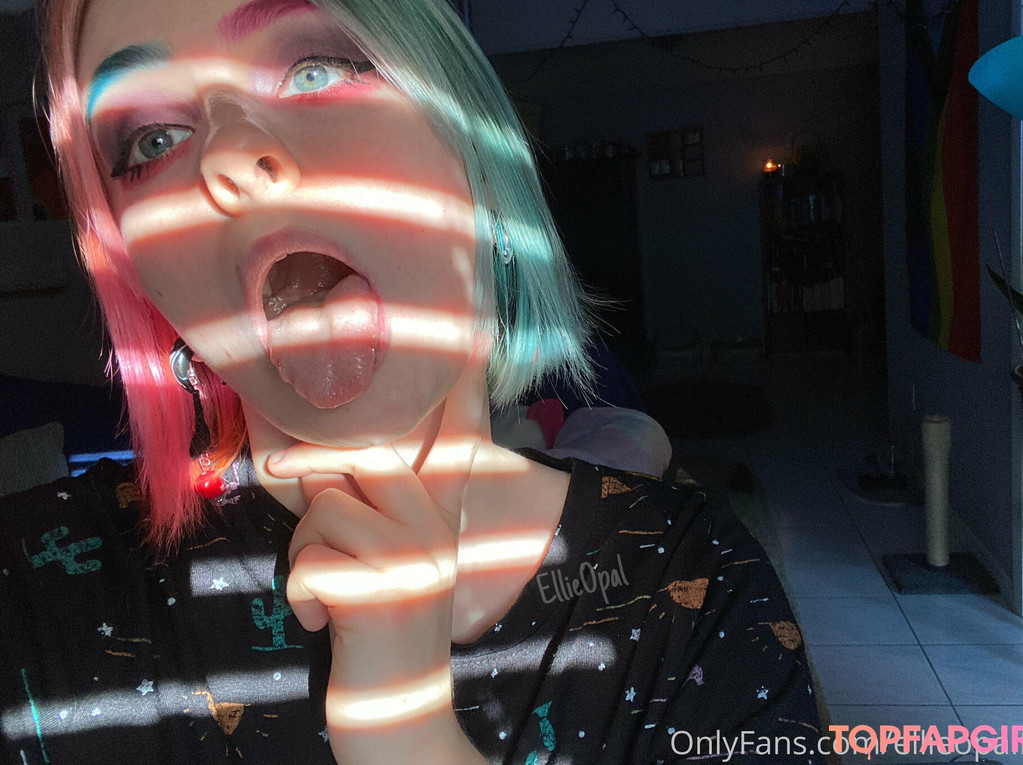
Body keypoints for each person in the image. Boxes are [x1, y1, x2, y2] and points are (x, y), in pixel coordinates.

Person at [1, 0, 826, 762]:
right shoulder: (36, 590)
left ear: (474, 152)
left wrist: (407, 737)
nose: (228, 158)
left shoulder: (701, 590)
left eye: (315, 69)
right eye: (151, 140)